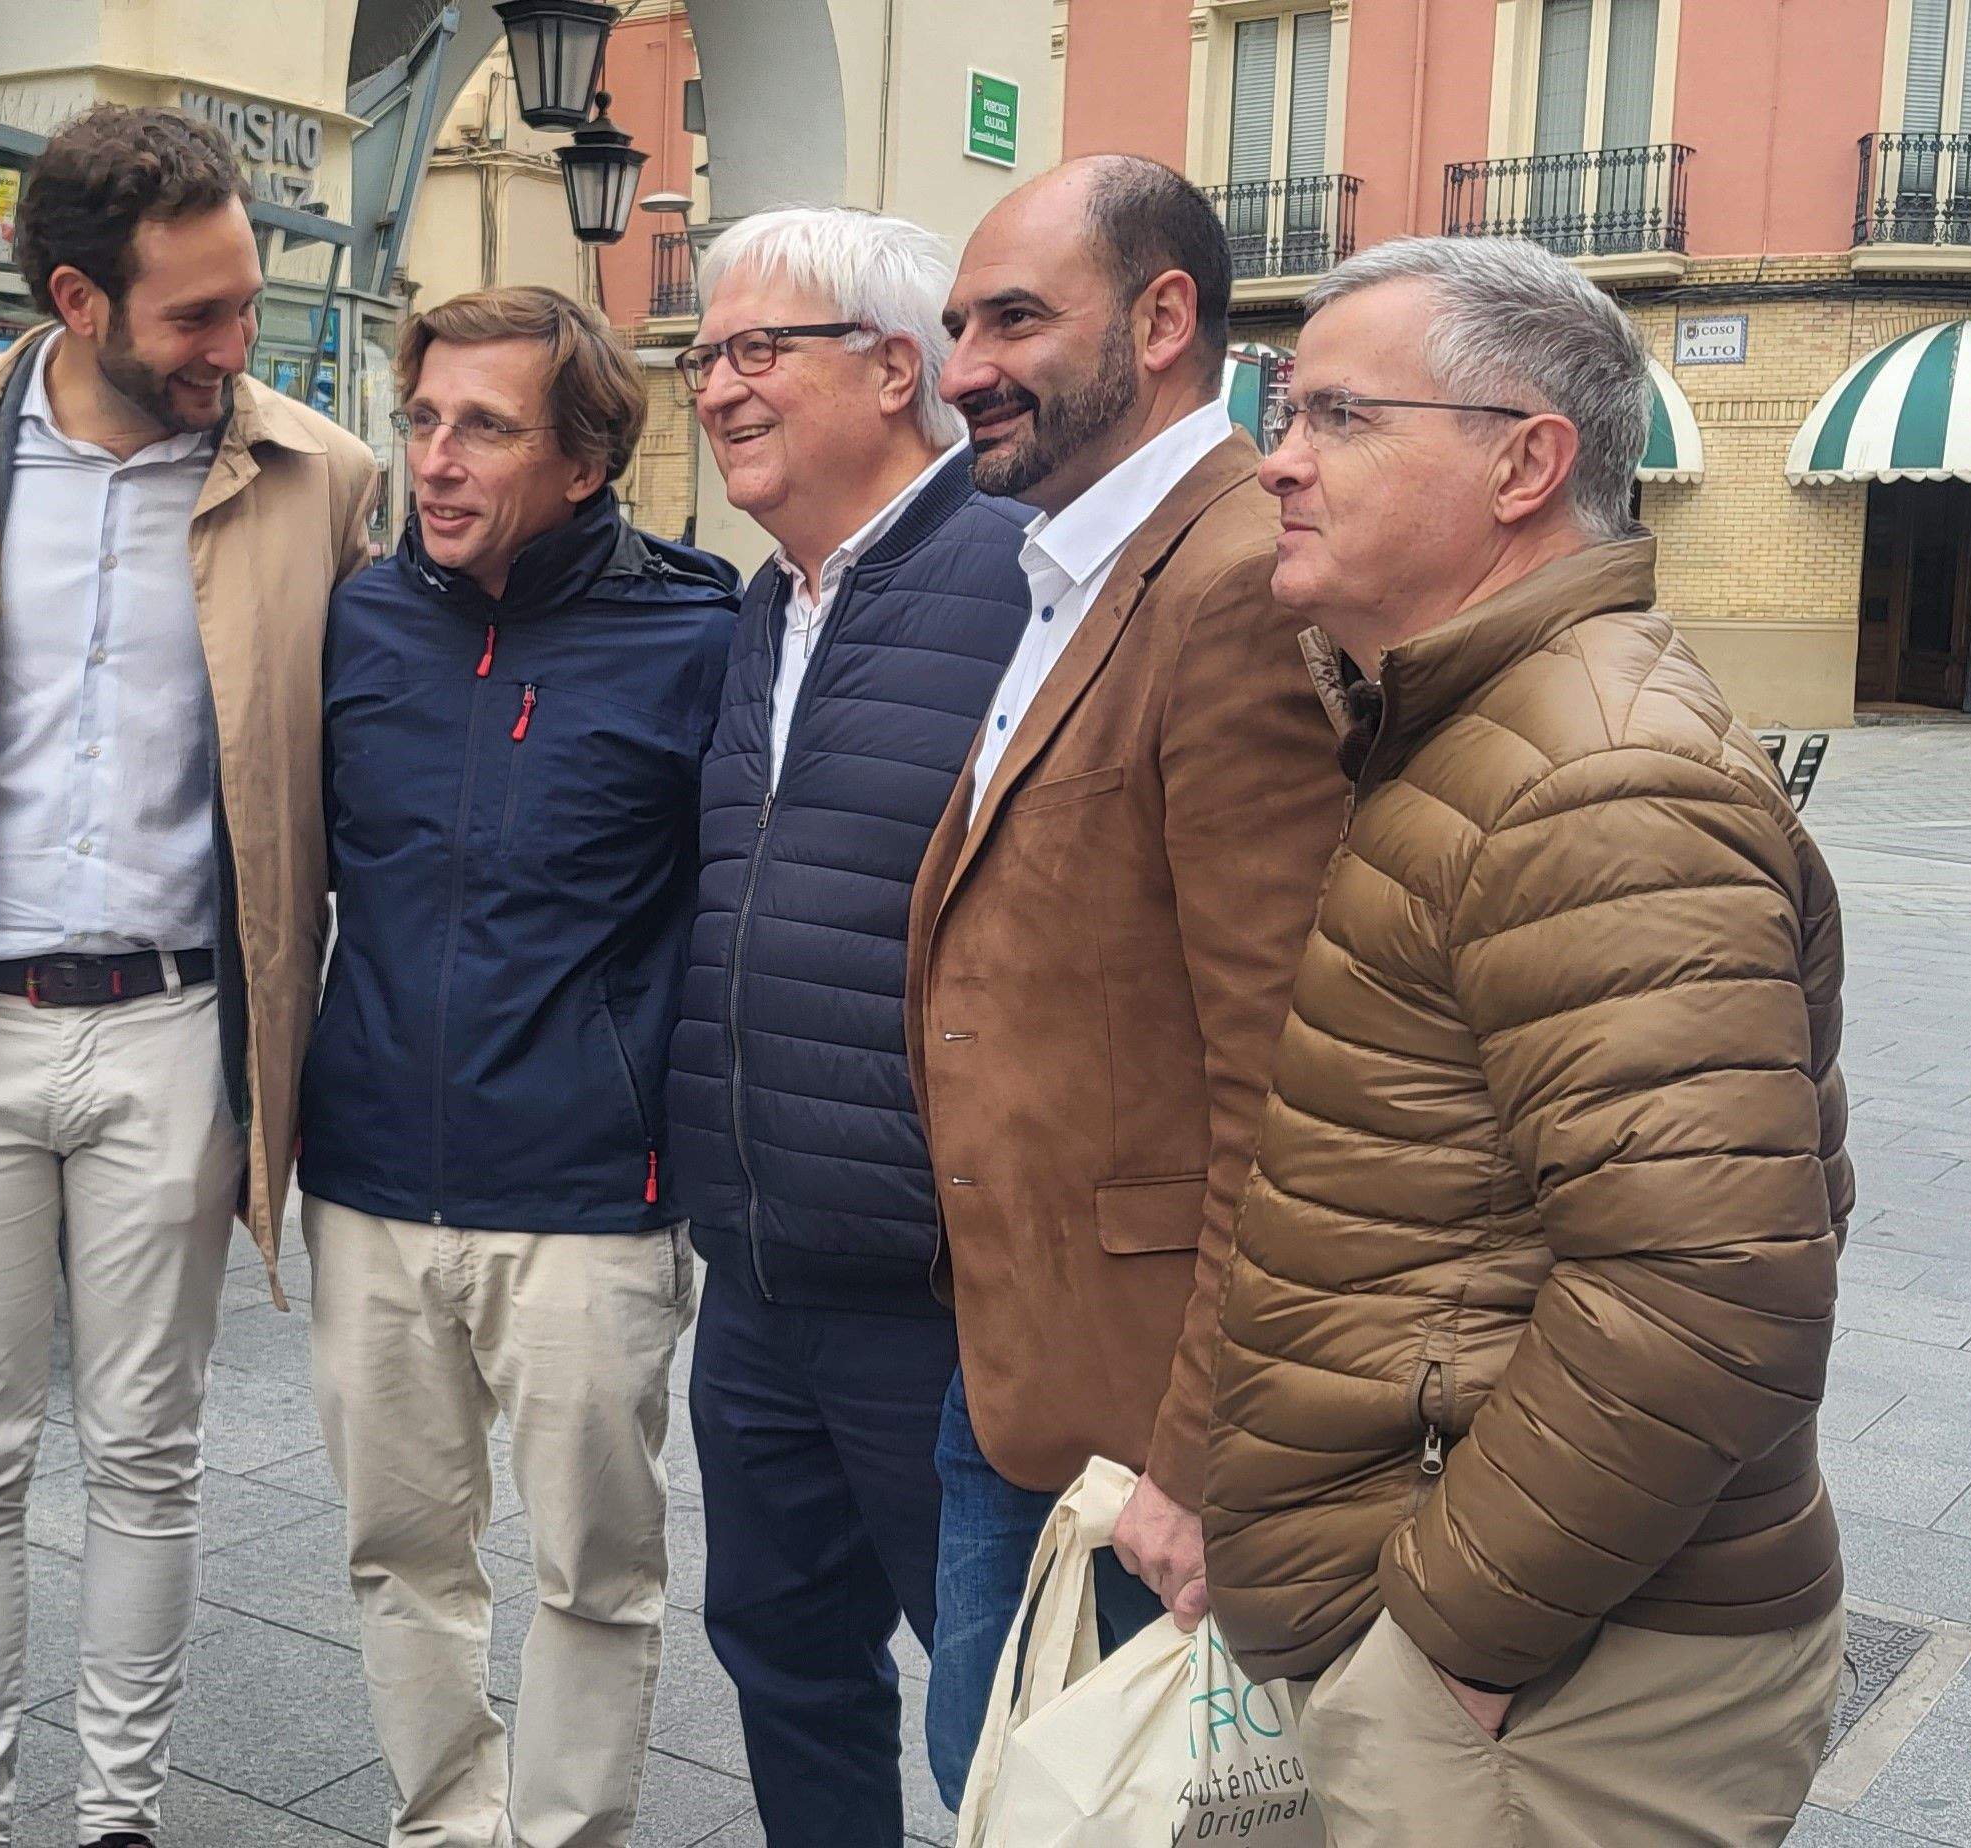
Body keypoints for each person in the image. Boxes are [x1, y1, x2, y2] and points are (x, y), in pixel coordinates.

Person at [1205, 236, 1848, 1847]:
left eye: (1339, 416)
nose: (1276, 458)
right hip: (1509, 1651)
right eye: (1285, 409)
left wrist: (1451, 1645)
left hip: (1560, 1687)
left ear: (1524, 463)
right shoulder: (1474, 725)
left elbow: (1710, 1281)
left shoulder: (1592, 772)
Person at [0, 105, 378, 1848]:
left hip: (181, 1027)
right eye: (198, 316)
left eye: (247, 306)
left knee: (150, 1444)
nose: (236, 346)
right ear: (75, 296)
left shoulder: (325, 477)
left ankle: (118, 1809)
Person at [907, 155, 1341, 1795]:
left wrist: (1202, 1446)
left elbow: (1289, 1067)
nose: (961, 367)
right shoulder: (1068, 563)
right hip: (1029, 1372)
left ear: (1165, 320)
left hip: (1142, 1431)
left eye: (1014, 318)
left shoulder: (1231, 582)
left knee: (1058, 1803)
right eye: (956, 324)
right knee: (996, 1785)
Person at [299, 286, 741, 1848]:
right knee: (397, 1554)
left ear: (584, 459)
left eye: (484, 425)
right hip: (365, 1182)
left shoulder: (696, 634)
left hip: (587, 1197)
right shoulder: (355, 621)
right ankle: (442, 1825)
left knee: (593, 1574)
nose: (436, 456)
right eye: (422, 418)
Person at [663, 207, 1031, 1843]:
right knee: (789, 1668)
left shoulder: (1022, 578)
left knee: (1006, 1711)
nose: (718, 388)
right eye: (702, 355)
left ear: (896, 371)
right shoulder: (763, 606)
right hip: (755, 1278)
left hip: (933, 1305)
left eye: (757, 350)